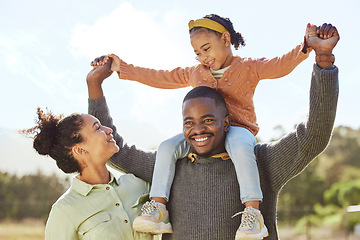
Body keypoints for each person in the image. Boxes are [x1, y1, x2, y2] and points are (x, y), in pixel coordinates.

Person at [87, 23, 339, 240]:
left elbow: (313, 136)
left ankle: (252, 214)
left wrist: (323, 60)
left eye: (208, 120)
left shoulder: (261, 162)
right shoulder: (169, 163)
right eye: (188, 122)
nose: (198, 130)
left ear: (226, 122)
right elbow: (113, 151)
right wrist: (95, 85)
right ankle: (158, 210)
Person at [22, 108, 159, 240]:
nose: (109, 130)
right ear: (80, 150)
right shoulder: (64, 210)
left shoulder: (139, 183)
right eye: (97, 128)